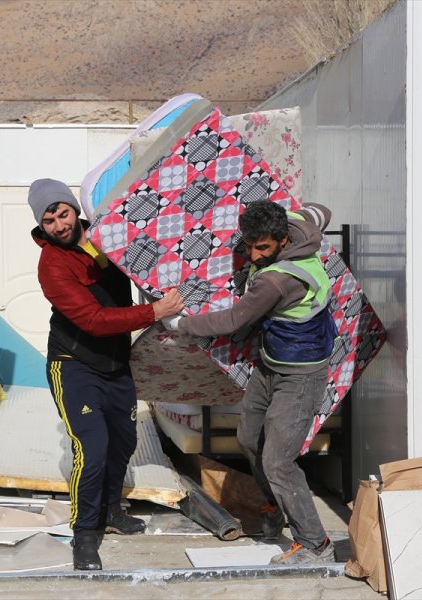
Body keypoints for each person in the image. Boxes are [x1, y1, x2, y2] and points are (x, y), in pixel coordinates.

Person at [166, 199, 338, 564]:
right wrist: (307, 213)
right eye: (249, 246)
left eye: (263, 247)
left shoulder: (277, 281)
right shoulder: (295, 222)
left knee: (278, 461)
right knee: (249, 439)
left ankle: (315, 544)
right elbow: (319, 211)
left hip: (301, 374)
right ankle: (277, 507)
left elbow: (232, 321)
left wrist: (181, 324)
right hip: (271, 363)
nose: (255, 255)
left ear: (283, 240)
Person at [28, 178, 184, 570]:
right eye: (49, 221)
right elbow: (94, 320)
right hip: (74, 364)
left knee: (123, 442)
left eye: (62, 214)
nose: (59, 225)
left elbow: (146, 255)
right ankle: (84, 534)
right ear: (41, 225)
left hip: (115, 363)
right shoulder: (52, 265)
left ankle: (111, 510)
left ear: (73, 209)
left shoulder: (107, 238)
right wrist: (154, 312)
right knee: (92, 448)